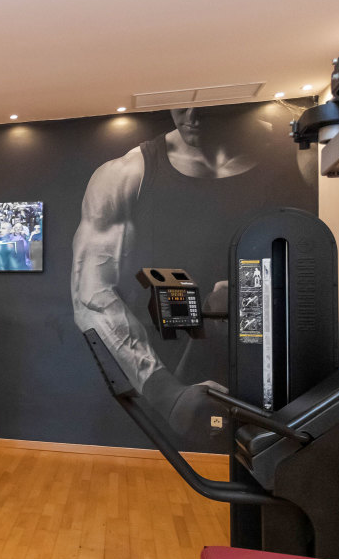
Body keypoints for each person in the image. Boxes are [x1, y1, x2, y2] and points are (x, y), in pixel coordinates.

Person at [70, 104, 313, 449]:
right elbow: (92, 296)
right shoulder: (126, 174)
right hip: (174, 388)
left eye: (204, 106)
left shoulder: (301, 157)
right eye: (181, 105)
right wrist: (165, 392)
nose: (192, 117)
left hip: (274, 380)